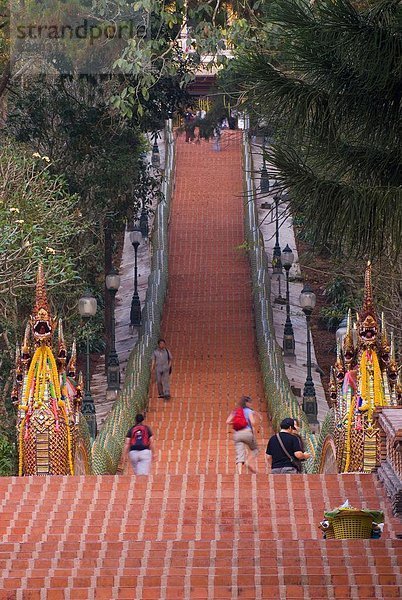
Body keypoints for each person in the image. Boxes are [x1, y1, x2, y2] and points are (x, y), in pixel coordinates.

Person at [226, 396, 259, 474]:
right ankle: (248, 461)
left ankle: (240, 473)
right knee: (255, 449)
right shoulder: (249, 411)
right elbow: (253, 422)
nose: (251, 404)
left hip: (237, 434)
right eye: (250, 402)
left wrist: (235, 423)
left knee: (239, 453)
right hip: (247, 432)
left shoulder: (236, 411)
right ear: (247, 403)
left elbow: (227, 421)